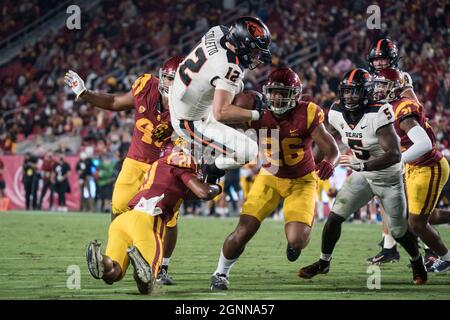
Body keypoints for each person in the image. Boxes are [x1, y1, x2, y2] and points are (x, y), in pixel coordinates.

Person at [210, 68, 339, 290]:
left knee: (296, 240)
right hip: (269, 175)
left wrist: (328, 162)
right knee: (243, 230)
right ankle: (220, 273)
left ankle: (297, 240)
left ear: (295, 94)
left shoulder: (307, 112)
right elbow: (220, 119)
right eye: (273, 92)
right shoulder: (254, 108)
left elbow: (332, 149)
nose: (277, 98)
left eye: (283, 92)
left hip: (302, 180)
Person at [298, 68, 427, 285]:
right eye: (346, 91)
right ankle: (324, 262)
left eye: (354, 92)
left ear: (366, 92)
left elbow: (395, 154)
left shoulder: (379, 111)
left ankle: (417, 261)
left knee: (398, 230)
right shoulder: (336, 111)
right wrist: (317, 162)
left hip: (387, 177)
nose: (348, 96)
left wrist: (363, 164)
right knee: (334, 218)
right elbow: (327, 140)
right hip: (362, 174)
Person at [65, 56, 184, 284]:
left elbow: (198, 132)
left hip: (165, 165)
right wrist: (85, 93)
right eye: (167, 78)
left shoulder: (192, 103)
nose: (169, 84)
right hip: (136, 159)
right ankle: (114, 257)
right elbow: (114, 102)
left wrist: (177, 132)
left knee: (168, 218)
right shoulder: (147, 86)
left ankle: (162, 268)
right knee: (119, 205)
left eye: (174, 80)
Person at [85, 141, 222, 294]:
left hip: (123, 220)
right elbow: (204, 193)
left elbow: (182, 193)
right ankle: (141, 266)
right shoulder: (182, 166)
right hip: (147, 222)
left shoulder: (157, 165)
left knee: (112, 274)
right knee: (147, 285)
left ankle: (102, 261)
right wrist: (216, 187)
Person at [169, 16, 272, 184]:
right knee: (248, 150)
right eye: (254, 51)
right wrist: (257, 114)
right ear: (242, 44)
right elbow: (220, 113)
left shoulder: (217, 31)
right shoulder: (230, 67)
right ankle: (211, 169)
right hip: (189, 120)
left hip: (183, 94)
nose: (256, 56)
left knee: (237, 88)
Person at [372, 68, 450, 273]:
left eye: (383, 85)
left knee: (416, 223)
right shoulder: (388, 107)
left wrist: (397, 161)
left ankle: (447, 257)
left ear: (396, 87)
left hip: (428, 166)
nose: (379, 89)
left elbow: (424, 143)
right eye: (377, 84)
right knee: (427, 217)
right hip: (414, 166)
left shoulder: (403, 109)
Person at [366, 38, 421, 264]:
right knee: (384, 196)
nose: (379, 63)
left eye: (383, 59)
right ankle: (389, 245)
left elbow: (414, 107)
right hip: (383, 143)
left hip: (404, 143)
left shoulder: (400, 79)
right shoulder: (372, 80)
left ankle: (425, 244)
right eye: (376, 59)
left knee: (412, 201)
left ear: (393, 59)